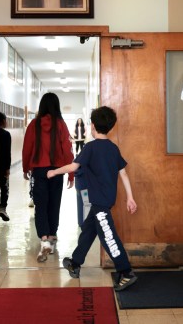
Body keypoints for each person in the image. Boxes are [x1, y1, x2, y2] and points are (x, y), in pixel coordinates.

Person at [47, 106, 138, 291]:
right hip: (103, 200)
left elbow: (73, 167)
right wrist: (130, 197)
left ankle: (126, 271)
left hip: (100, 202)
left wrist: (54, 172)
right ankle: (75, 262)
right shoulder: (113, 148)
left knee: (108, 237)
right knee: (89, 229)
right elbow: (124, 174)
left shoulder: (90, 147)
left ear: (93, 125)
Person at [22, 93, 74, 262]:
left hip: (39, 170)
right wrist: (71, 173)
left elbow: (27, 148)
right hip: (57, 171)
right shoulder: (60, 124)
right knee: (54, 203)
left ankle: (44, 239)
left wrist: (25, 168)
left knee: (40, 204)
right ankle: (52, 236)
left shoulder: (34, 125)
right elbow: (67, 149)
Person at [0, 112, 12, 222]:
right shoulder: (6, 134)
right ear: (2, 121)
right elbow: (7, 153)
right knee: (4, 187)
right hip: (2, 165)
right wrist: (7, 168)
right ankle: (2, 208)